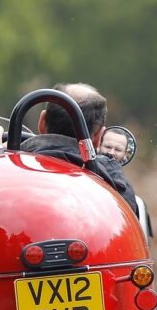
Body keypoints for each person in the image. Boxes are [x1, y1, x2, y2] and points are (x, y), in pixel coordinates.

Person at [19, 82, 138, 215]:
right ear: (98, 137)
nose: (111, 152)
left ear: (42, 122)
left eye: (117, 149)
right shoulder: (116, 187)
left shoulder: (9, 161)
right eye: (108, 147)